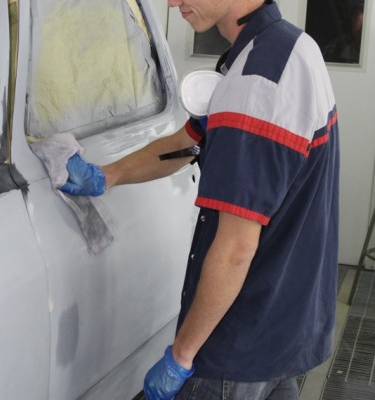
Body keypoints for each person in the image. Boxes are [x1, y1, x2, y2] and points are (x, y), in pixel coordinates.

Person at [60, 1, 340, 399]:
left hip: (236, 345)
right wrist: (107, 176)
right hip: (284, 330)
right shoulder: (291, 48)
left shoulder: (255, 87)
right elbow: (185, 142)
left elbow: (235, 250)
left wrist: (182, 355)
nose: (173, 2)